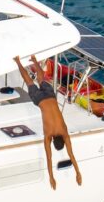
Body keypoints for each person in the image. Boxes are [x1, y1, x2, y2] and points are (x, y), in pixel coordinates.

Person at [14, 55, 82, 190]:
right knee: (28, 81)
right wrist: (52, 177)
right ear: (53, 141)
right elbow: (49, 159)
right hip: (40, 100)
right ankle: (17, 61)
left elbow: (71, 155)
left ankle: (34, 60)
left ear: (62, 140)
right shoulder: (48, 135)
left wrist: (78, 172)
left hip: (51, 97)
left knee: (41, 78)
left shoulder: (64, 132)